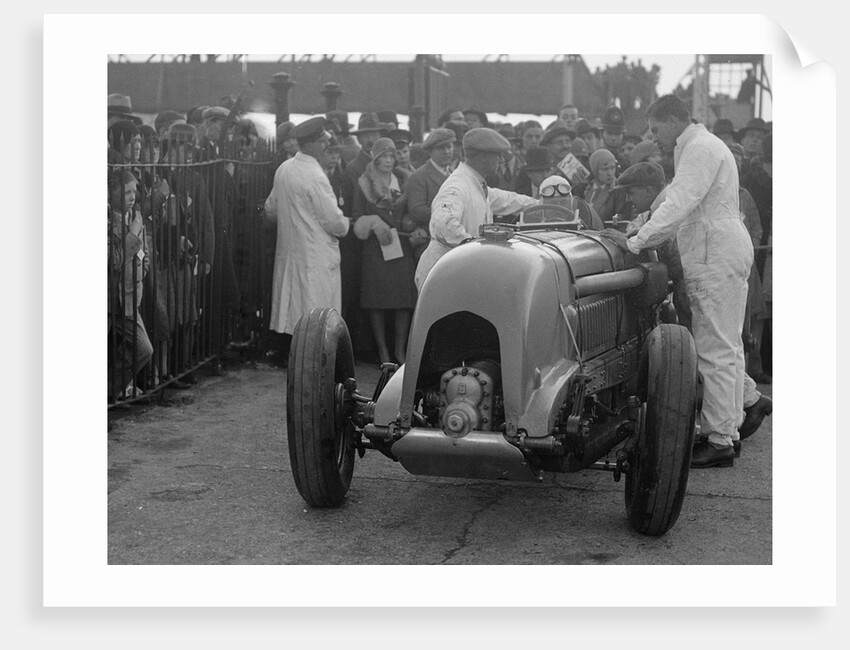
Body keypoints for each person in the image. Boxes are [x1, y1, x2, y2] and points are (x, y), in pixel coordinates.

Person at [622, 95, 771, 468]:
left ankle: (719, 439)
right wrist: (644, 225)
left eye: (656, 128)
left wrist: (637, 241)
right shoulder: (700, 146)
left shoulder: (699, 148)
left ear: (674, 120)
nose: (654, 137)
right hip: (721, 247)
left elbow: (680, 203)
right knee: (727, 346)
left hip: (713, 250)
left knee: (714, 349)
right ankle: (731, 425)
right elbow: (676, 197)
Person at [263, 116, 350, 348]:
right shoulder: (315, 175)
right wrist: (347, 223)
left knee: (293, 307)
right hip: (316, 254)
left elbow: (270, 209)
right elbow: (334, 223)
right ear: (310, 145)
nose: (326, 145)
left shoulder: (284, 169)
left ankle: (290, 353)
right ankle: (313, 358)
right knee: (316, 312)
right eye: (322, 142)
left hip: (292, 251)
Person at [414, 128, 539, 289]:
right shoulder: (457, 186)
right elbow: (442, 224)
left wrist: (541, 204)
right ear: (484, 157)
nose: (501, 160)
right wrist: (476, 248)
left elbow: (506, 200)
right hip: (441, 277)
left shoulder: (474, 183)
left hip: (454, 272)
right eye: (497, 155)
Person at [351, 137, 418, 365]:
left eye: (392, 155)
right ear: (375, 159)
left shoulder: (405, 180)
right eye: (383, 156)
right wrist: (374, 223)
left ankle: (400, 351)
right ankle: (383, 352)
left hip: (401, 246)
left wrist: (410, 222)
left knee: (403, 301)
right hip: (376, 248)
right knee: (377, 302)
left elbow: (412, 210)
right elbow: (357, 217)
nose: (388, 160)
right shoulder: (364, 183)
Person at [108, 169, 153, 400]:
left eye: (134, 191)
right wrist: (133, 233)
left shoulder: (135, 218)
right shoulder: (108, 221)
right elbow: (113, 260)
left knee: (143, 349)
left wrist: (137, 276)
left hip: (129, 299)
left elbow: (145, 257)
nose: (132, 197)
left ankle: (109, 391)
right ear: (113, 192)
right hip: (110, 300)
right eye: (126, 192)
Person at [403, 127, 456, 261]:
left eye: (449, 146)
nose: (446, 151)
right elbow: (416, 211)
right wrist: (448, 214)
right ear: (430, 151)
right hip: (430, 244)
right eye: (441, 148)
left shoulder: (454, 174)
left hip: (453, 243)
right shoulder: (420, 176)